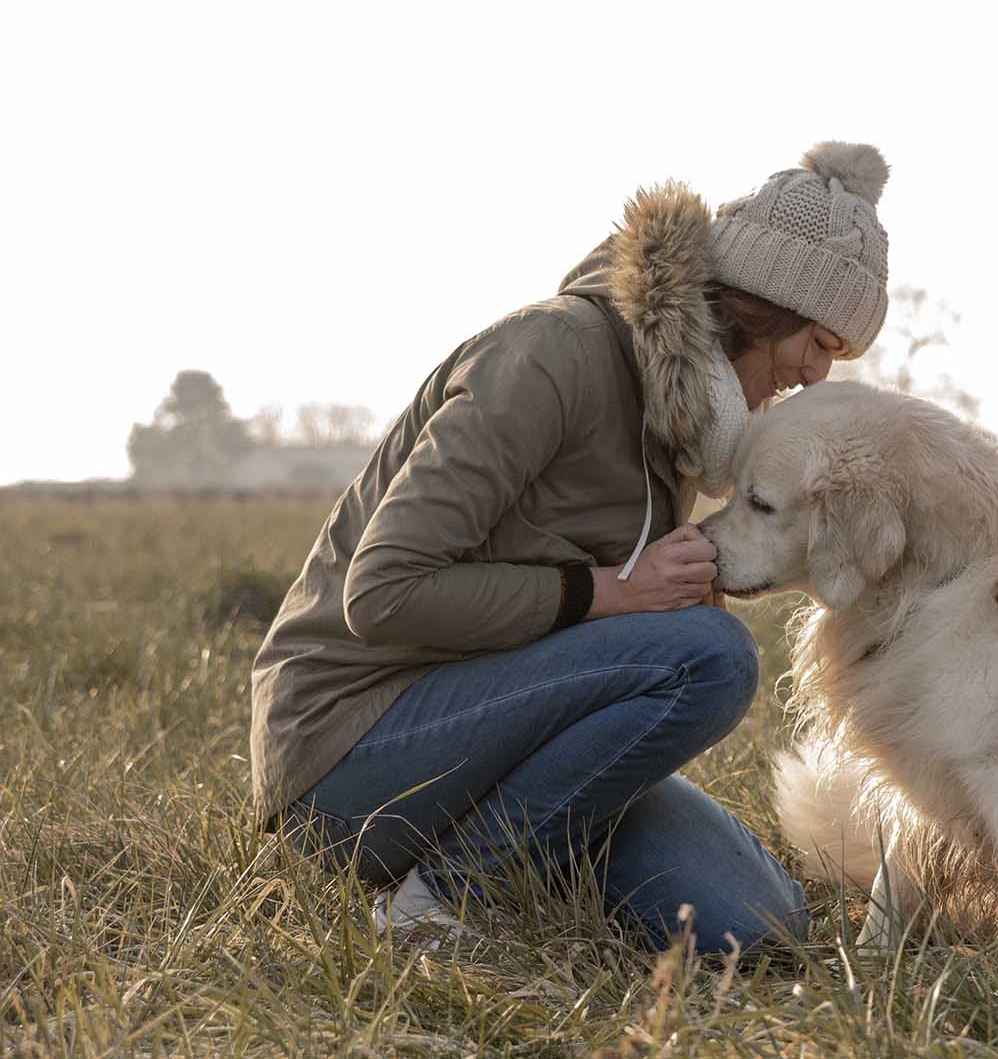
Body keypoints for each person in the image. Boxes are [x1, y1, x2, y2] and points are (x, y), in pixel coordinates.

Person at [250, 141, 893, 954]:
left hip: (505, 747)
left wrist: (654, 606)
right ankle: (440, 898)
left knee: (756, 928)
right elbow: (383, 592)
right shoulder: (546, 355)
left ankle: (517, 849)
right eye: (823, 343)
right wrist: (613, 595)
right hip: (348, 758)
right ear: (765, 303)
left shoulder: (686, 419)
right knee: (714, 657)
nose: (818, 374)